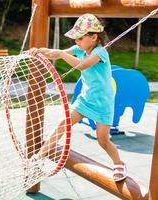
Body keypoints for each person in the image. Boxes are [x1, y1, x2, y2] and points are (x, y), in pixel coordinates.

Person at [29, 14, 127, 182]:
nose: (76, 41)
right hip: (85, 100)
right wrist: (39, 51)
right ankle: (38, 158)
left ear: (94, 37)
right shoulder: (79, 49)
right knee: (62, 124)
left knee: (102, 140)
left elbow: (82, 65)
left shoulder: (100, 52)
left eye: (80, 38)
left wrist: (61, 54)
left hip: (103, 103)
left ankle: (119, 163)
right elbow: (54, 54)